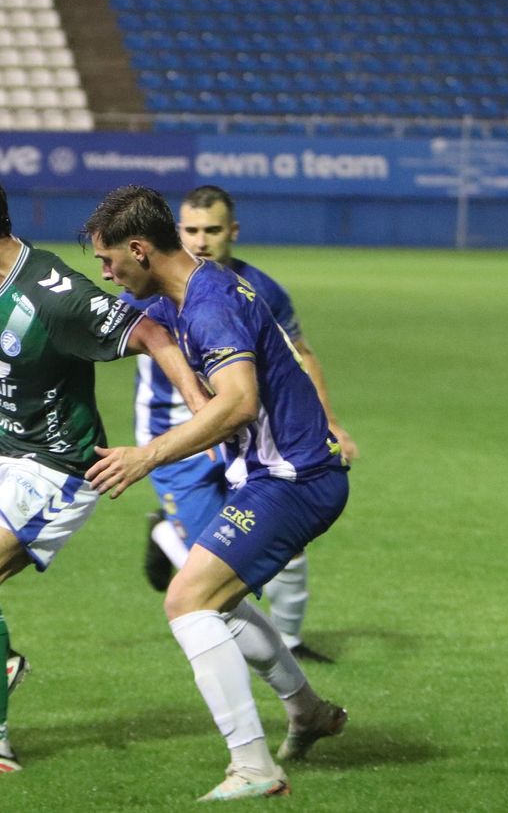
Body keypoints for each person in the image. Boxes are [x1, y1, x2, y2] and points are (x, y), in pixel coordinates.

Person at [0, 162, 203, 780]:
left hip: (56, 466)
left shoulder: (57, 293)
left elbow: (152, 331)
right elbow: (14, 328)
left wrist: (203, 410)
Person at [83, 185, 350, 801]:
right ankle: (307, 712)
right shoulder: (192, 290)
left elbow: (240, 402)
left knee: (188, 600)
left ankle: (253, 767)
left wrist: (147, 454)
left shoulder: (210, 306)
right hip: (274, 474)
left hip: (293, 480)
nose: (106, 274)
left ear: (139, 250)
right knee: (217, 601)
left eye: (108, 260)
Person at [134, 185, 358, 662]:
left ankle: (290, 641)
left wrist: (330, 422)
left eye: (212, 230)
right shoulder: (151, 285)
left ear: (232, 231)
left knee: (282, 541)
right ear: (177, 231)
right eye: (191, 230)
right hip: (178, 438)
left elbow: (300, 355)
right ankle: (167, 533)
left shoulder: (260, 288)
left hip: (253, 437)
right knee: (210, 571)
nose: (201, 240)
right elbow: (90, 323)